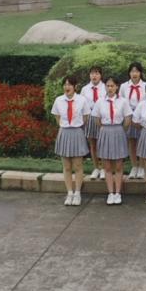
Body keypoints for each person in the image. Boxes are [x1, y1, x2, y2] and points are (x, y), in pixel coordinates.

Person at [51, 77, 90, 206]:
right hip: (64, 132)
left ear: (75, 87)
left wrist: (76, 126)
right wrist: (65, 126)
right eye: (65, 84)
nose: (67, 87)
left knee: (78, 166)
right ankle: (69, 193)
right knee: (67, 166)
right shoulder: (58, 100)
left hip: (77, 132)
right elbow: (57, 118)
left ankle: (77, 193)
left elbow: (85, 117)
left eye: (69, 84)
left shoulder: (82, 100)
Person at [93, 78, 129, 205]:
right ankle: (110, 193)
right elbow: (97, 119)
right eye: (108, 86)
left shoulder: (123, 101)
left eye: (112, 86)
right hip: (105, 131)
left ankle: (118, 193)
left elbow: (127, 119)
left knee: (118, 165)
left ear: (117, 87)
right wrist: (106, 129)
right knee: (107, 166)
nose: (110, 88)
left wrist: (120, 129)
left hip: (118, 131)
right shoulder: (100, 102)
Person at [122, 62, 146, 181]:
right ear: (129, 73)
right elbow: (121, 102)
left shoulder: (145, 85)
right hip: (129, 115)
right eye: (132, 71)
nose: (134, 74)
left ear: (140, 73)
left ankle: (142, 167)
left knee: (141, 141)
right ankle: (134, 166)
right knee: (131, 142)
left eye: (137, 71)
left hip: (142, 116)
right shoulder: (124, 86)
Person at [80, 67, 107, 180]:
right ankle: (96, 168)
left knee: (103, 143)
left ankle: (104, 168)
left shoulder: (105, 87)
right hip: (90, 116)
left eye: (96, 73)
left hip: (102, 117)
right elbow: (81, 104)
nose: (94, 76)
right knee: (93, 144)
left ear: (100, 75)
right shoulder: (85, 89)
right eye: (92, 73)